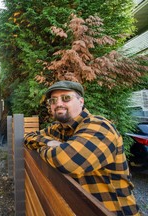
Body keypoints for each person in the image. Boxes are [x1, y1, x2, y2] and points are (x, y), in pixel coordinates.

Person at [24, 80, 139, 216]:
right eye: (53, 100)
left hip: (113, 210)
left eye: (66, 98)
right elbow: (28, 137)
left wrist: (43, 148)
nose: (58, 103)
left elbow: (66, 161)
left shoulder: (100, 126)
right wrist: (49, 143)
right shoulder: (58, 128)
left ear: (81, 102)